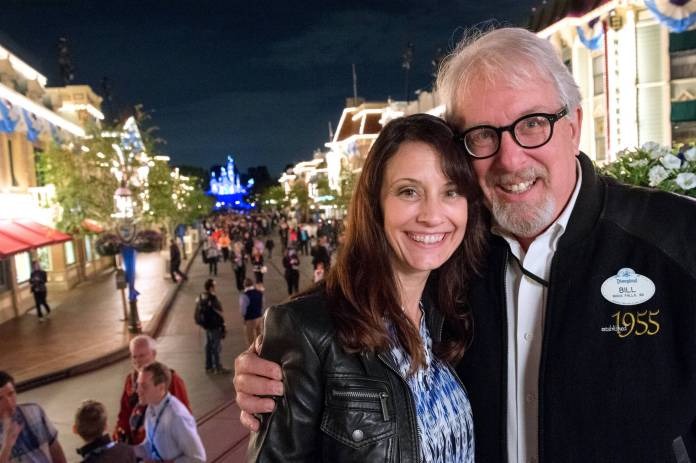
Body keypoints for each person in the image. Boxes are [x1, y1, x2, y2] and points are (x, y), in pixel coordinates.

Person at [234, 27, 696, 462]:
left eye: (533, 123)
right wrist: (282, 363)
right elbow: (353, 319)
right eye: (483, 135)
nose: (510, 158)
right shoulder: (454, 260)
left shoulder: (677, 239)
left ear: (574, 125)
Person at [245, 114, 486, 461]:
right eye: (409, 191)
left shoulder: (450, 315)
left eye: (451, 192)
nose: (432, 215)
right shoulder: (309, 330)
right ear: (376, 204)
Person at [115, 335, 191, 445]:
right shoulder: (130, 381)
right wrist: (121, 433)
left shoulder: (171, 380)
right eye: (134, 357)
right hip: (137, 445)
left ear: (154, 354)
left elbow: (184, 416)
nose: (137, 361)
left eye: (142, 355)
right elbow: (124, 413)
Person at [133, 362, 205, 463]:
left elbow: (198, 458)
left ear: (161, 388)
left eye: (144, 386)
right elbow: (150, 445)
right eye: (138, 385)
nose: (138, 391)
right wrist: (126, 451)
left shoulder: (177, 417)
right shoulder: (151, 408)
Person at [0, 371, 67, 463]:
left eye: (11, 394)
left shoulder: (34, 412)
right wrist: (7, 445)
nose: (8, 403)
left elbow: (54, 448)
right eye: (0, 398)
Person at [197, 279, 230, 374]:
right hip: (215, 325)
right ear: (211, 287)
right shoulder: (213, 299)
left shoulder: (202, 296)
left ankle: (209, 366)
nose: (216, 287)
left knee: (208, 345)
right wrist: (223, 324)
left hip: (207, 325)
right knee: (216, 346)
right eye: (214, 285)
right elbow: (220, 312)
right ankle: (217, 367)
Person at [238, 278, 264, 346]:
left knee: (251, 339)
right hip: (259, 317)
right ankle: (260, 349)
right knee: (260, 338)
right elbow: (262, 303)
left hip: (250, 319)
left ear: (244, 285)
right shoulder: (259, 292)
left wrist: (243, 318)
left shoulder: (244, 295)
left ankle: (253, 351)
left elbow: (243, 310)